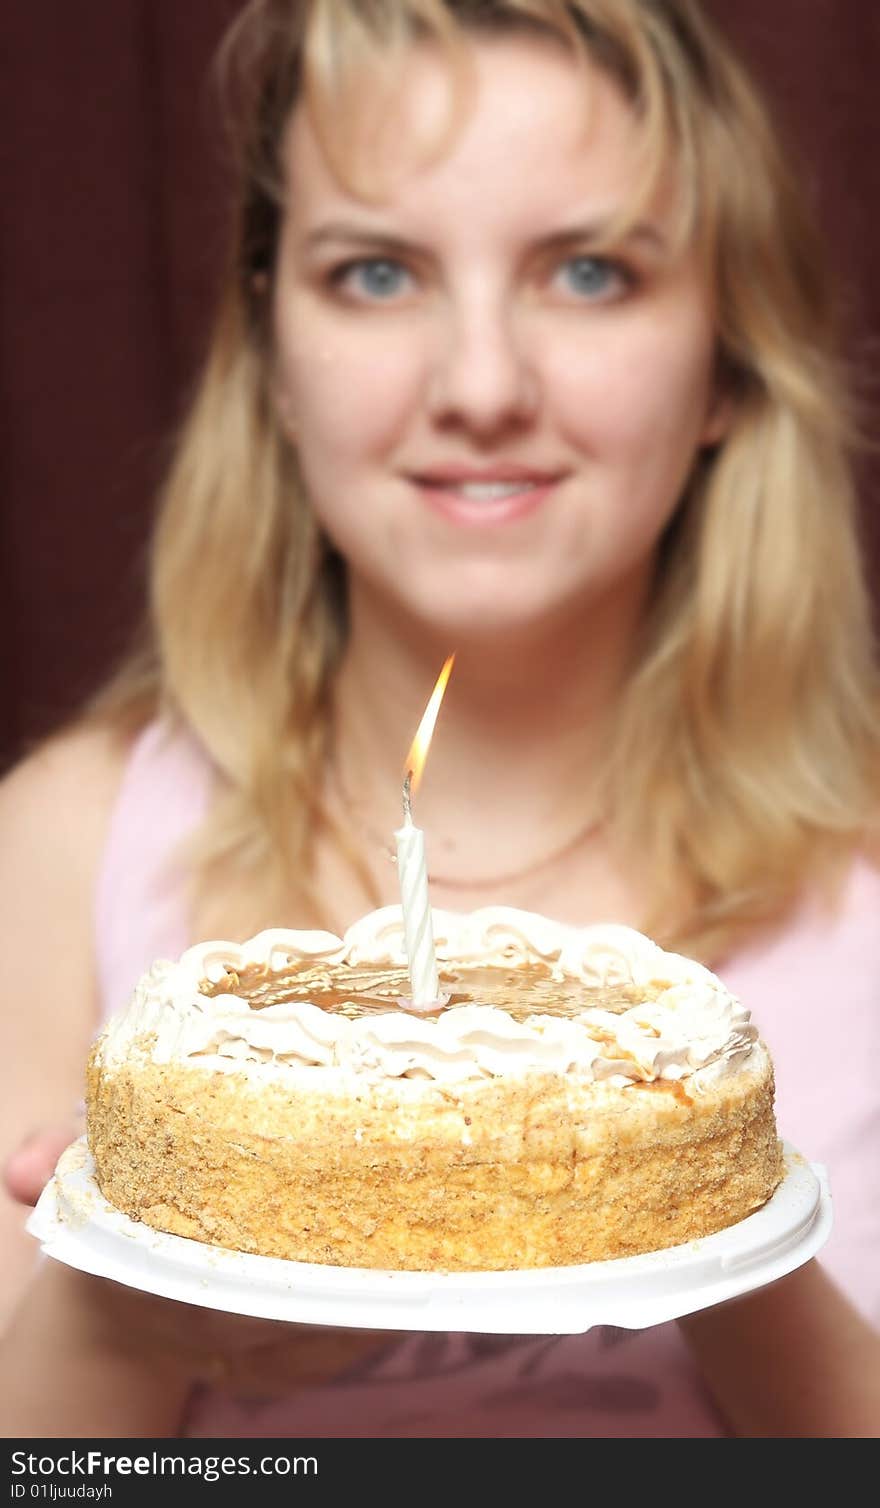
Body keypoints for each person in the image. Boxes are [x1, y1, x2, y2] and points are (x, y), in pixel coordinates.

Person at [2, 0, 879, 1439]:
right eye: (378, 272)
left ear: (729, 352)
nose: (482, 388)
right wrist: (123, 1301)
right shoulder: (61, 845)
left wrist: (686, 1185)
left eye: (590, 272)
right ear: (272, 353)